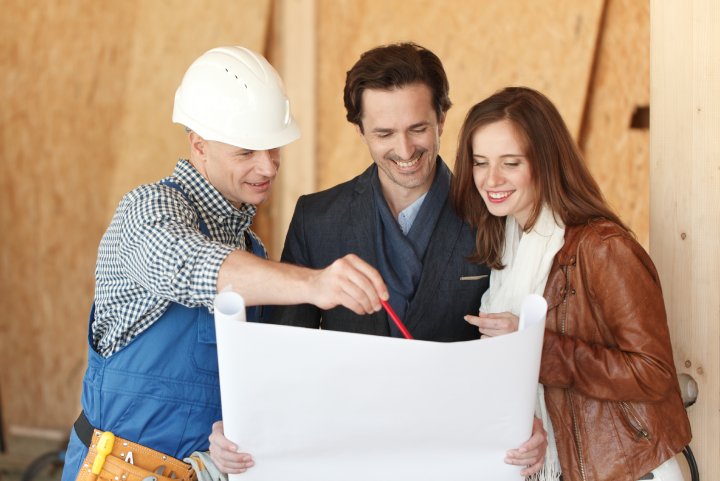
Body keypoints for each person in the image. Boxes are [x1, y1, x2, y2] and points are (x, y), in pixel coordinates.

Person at [209, 42, 547, 476]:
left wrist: (530, 420)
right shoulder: (318, 218)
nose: (404, 150)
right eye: (384, 134)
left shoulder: (492, 214)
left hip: (458, 459)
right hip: (344, 458)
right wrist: (238, 431)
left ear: (443, 117)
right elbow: (282, 357)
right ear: (360, 130)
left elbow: (523, 348)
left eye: (418, 128)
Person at [60, 46, 389, 481]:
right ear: (199, 146)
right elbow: (188, 264)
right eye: (246, 152)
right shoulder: (147, 210)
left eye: (273, 148)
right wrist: (315, 285)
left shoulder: (253, 253)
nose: (267, 165)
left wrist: (232, 440)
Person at [452, 86, 692, 481]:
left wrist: (535, 348)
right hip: (564, 468)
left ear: (545, 163)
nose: (490, 179)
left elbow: (654, 373)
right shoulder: (505, 245)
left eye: (510, 163)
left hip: (625, 470)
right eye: (480, 162)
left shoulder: (602, 247)